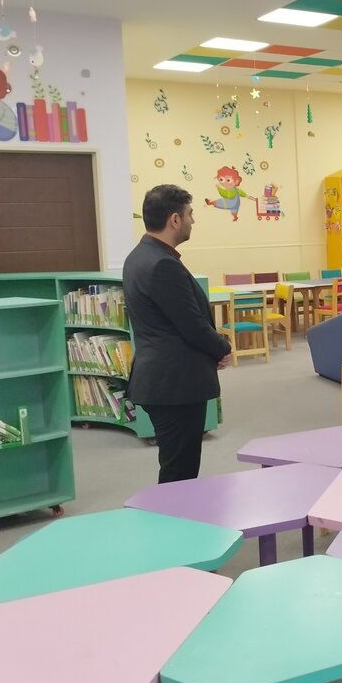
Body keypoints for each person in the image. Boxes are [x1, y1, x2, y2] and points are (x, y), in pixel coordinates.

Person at [123, 184, 231, 483]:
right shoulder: (162, 265)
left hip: (163, 381)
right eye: (189, 214)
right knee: (179, 472)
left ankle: (172, 512)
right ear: (174, 219)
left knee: (176, 466)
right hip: (175, 385)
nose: (192, 221)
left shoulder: (139, 256)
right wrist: (223, 347)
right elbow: (192, 326)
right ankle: (170, 514)